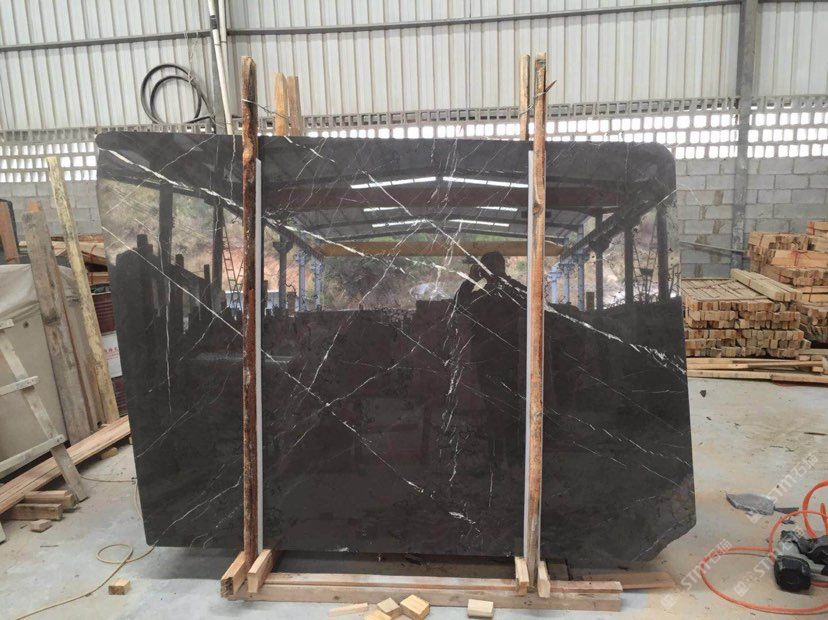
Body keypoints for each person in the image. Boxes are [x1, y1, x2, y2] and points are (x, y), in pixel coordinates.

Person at [453, 251, 526, 307]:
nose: (491, 269)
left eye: (493, 266)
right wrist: (471, 280)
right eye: (489, 266)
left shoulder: (484, 295)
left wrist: (471, 281)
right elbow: (458, 306)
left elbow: (459, 306)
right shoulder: (483, 294)